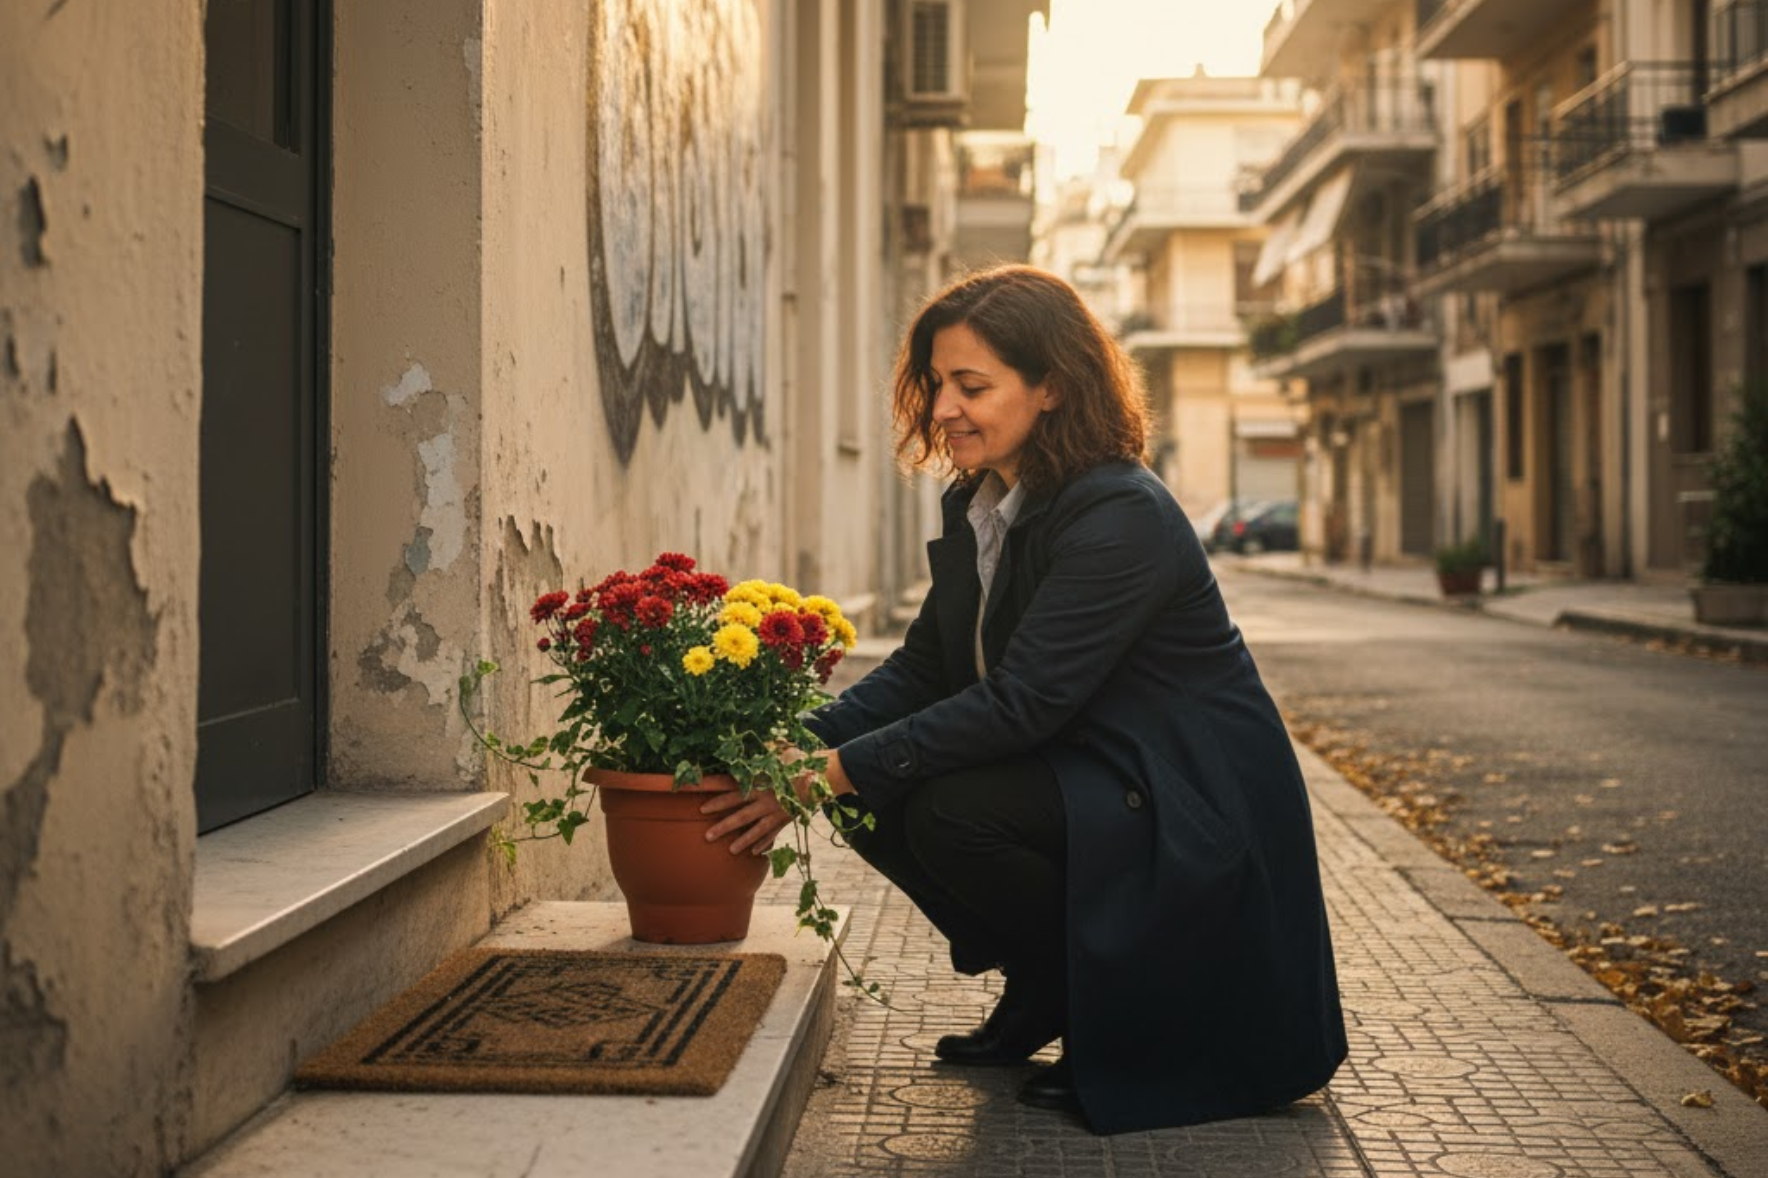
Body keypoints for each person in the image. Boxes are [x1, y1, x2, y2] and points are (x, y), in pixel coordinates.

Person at [700, 264, 1347, 1135]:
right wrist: (793, 746)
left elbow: (1023, 703)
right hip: (1099, 772)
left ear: (1053, 387)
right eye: (936, 384)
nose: (943, 408)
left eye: (971, 386)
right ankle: (1048, 982)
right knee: (876, 789)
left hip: (1189, 800)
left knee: (944, 807)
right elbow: (925, 668)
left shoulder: (1120, 515)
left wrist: (831, 770)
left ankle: (1119, 1011)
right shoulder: (987, 502)